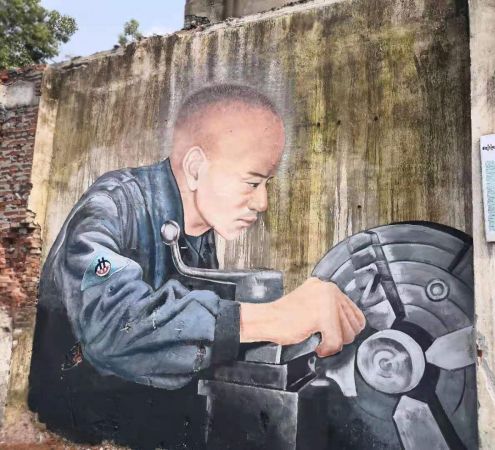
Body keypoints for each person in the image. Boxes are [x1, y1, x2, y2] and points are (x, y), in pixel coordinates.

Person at [28, 84, 365, 448]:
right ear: (195, 168)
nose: (262, 202)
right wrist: (273, 318)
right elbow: (111, 327)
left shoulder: (199, 235)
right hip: (80, 433)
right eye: (252, 182)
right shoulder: (111, 207)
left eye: (266, 183)